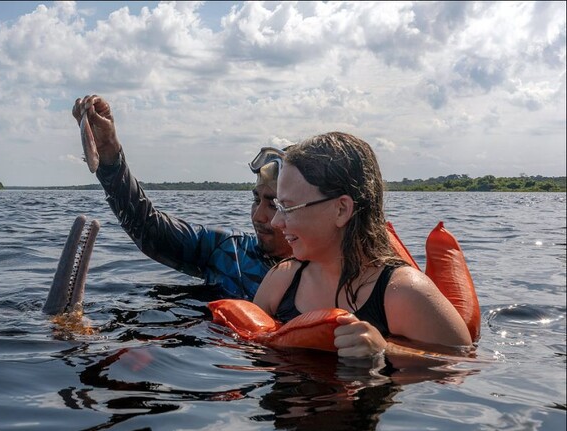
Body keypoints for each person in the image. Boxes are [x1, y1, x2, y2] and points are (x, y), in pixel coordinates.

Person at [252, 132, 473, 359]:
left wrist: (385, 350)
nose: (276, 221)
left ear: (341, 210)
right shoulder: (281, 280)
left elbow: (464, 365)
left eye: (288, 207)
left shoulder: (404, 293)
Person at [73, 94, 292, 300]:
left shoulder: (321, 286)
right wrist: (109, 154)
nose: (259, 216)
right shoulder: (230, 251)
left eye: (273, 204)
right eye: (256, 200)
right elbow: (148, 228)